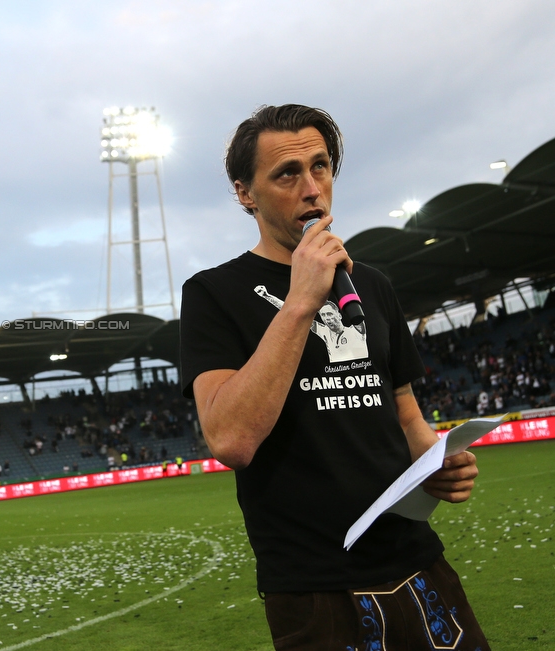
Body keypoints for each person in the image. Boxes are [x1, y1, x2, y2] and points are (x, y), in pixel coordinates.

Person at [180, 104, 487, 649]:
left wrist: (436, 463)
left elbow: (406, 414)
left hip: (418, 560)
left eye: (320, 167)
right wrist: (300, 300)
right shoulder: (212, 294)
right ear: (244, 193)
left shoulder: (371, 283)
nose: (311, 188)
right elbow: (231, 439)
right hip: (314, 588)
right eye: (286, 173)